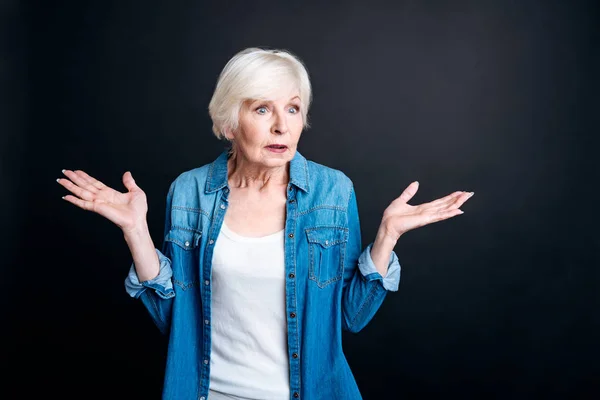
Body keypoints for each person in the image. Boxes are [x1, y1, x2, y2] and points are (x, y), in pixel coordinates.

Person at [57, 47, 474, 400]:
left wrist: (387, 237)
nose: (282, 125)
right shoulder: (189, 191)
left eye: (293, 108)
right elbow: (174, 320)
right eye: (262, 108)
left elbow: (352, 317)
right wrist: (136, 233)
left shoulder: (332, 192)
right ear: (229, 121)